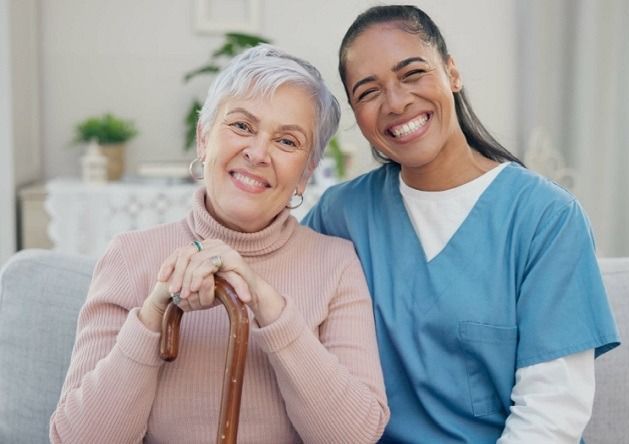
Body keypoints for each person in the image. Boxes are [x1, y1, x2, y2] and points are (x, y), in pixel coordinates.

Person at [303, 5, 620, 443]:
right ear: (356, 114)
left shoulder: (546, 219)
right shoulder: (340, 216)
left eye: (412, 73)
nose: (396, 103)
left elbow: (552, 415)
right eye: (368, 91)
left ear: (452, 73)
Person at [50, 44, 389, 444]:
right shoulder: (130, 256)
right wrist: (154, 313)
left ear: (305, 174)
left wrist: (266, 302)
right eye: (242, 126)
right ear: (203, 139)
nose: (258, 153)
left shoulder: (336, 264)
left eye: (287, 142)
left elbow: (357, 437)